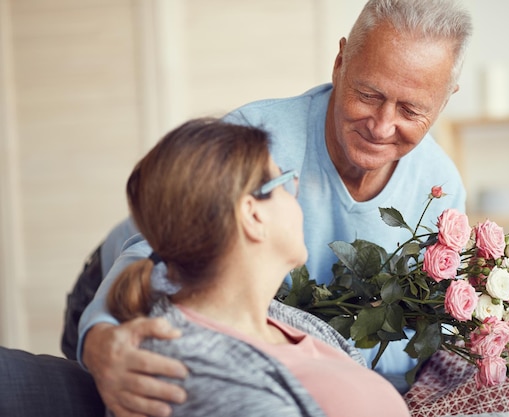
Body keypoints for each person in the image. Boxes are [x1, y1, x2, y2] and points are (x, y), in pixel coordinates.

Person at [76, 0, 472, 416]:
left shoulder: (439, 187)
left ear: (444, 101)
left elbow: (431, 327)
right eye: (368, 94)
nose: (381, 125)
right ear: (339, 63)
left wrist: (338, 365)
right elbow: (158, 254)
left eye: (410, 110)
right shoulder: (259, 141)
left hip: (282, 341)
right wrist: (100, 339)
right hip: (126, 289)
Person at [102, 118, 410, 417]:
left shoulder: (288, 323)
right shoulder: (201, 368)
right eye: (284, 182)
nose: (296, 200)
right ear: (252, 215)